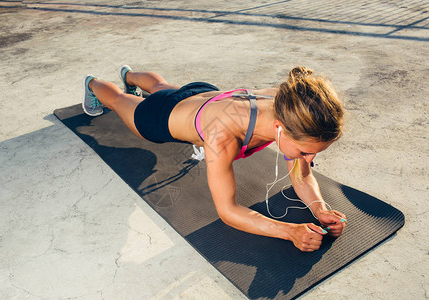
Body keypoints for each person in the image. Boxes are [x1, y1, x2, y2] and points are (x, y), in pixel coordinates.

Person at [82, 65, 347, 252]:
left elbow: (301, 176)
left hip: (206, 94)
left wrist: (319, 209)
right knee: (119, 100)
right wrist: (289, 231)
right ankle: (92, 83)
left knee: (163, 87)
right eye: (304, 152)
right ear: (280, 128)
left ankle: (128, 74)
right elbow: (228, 211)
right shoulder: (223, 136)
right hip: (161, 117)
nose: (308, 159)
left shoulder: (293, 106)